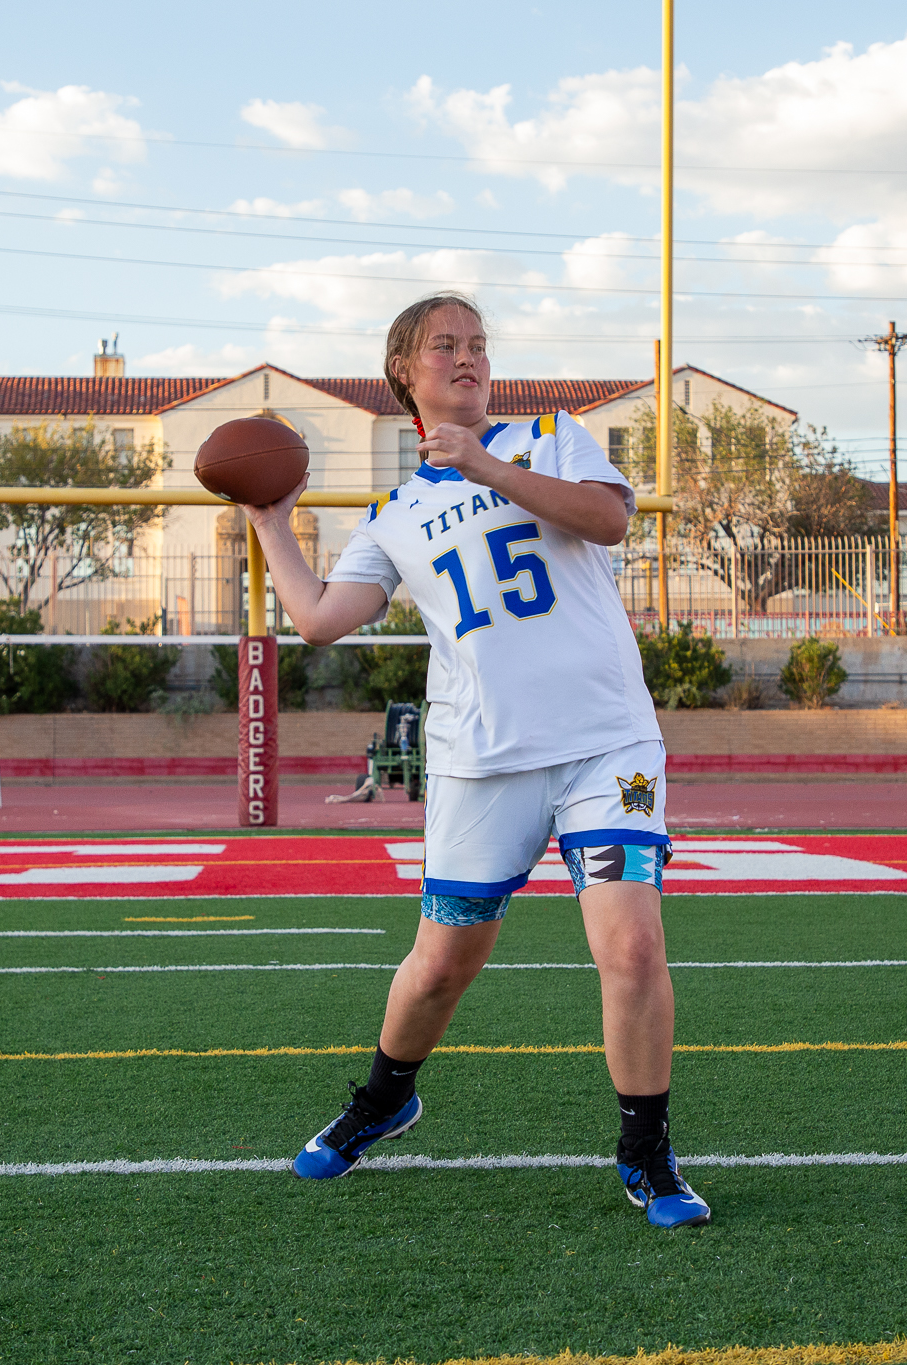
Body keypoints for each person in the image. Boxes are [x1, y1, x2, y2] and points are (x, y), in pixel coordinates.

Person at [237, 292, 709, 1228]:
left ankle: (647, 1153)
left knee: (632, 943)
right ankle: (383, 1100)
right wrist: (270, 521)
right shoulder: (395, 511)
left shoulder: (550, 436)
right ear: (403, 374)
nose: (468, 357)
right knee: (440, 964)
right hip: (482, 759)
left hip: (604, 740)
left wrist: (485, 462)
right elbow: (320, 619)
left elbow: (609, 522)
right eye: (444, 346)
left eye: (479, 344)